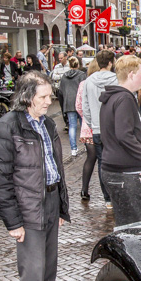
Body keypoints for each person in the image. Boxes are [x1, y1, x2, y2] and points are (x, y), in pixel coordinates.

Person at [0, 71, 70, 281]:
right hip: (27, 208)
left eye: (50, 95)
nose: (50, 101)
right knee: (33, 273)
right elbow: (0, 179)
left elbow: (55, 167)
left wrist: (61, 206)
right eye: (44, 97)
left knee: (49, 268)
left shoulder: (47, 123)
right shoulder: (7, 127)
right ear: (26, 97)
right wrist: (13, 221)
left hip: (49, 202)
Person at [98, 55, 141, 226]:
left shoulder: (111, 98)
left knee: (125, 222)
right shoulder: (125, 99)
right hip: (128, 172)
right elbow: (125, 135)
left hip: (111, 168)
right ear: (131, 74)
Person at [82, 50, 117, 209]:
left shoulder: (88, 81)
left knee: (103, 163)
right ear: (111, 63)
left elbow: (85, 107)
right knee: (117, 162)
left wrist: (92, 124)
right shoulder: (117, 80)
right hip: (114, 128)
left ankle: (107, 199)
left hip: (97, 129)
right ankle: (117, 195)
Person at [76, 62, 99, 201]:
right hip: (100, 126)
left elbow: (78, 105)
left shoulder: (83, 84)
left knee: (90, 158)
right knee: (103, 159)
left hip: (87, 127)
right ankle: (107, 194)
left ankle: (84, 189)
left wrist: (85, 118)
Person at [57, 57, 86, 156]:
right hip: (80, 102)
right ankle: (86, 144)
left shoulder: (64, 76)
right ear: (78, 65)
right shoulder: (82, 75)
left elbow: (61, 90)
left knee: (72, 126)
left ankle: (73, 149)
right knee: (83, 125)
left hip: (69, 103)